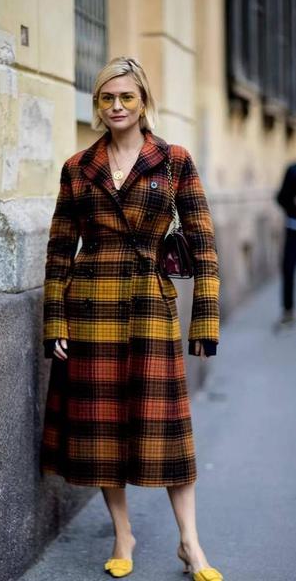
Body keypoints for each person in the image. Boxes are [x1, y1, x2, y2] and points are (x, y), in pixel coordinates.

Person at [40, 56, 222, 581]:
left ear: (143, 102)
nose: (116, 106)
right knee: (103, 430)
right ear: (96, 105)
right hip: (90, 308)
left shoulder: (174, 160)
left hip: (149, 306)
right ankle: (123, 533)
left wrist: (205, 321)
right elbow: (59, 250)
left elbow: (204, 245)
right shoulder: (78, 166)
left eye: (126, 97)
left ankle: (190, 543)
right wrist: (55, 321)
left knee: (169, 431)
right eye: (106, 98)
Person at [275, 162, 296, 328]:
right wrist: (292, 207)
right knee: (288, 269)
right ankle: (288, 311)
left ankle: (288, 311)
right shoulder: (292, 170)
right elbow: (281, 197)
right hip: (293, 228)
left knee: (288, 269)